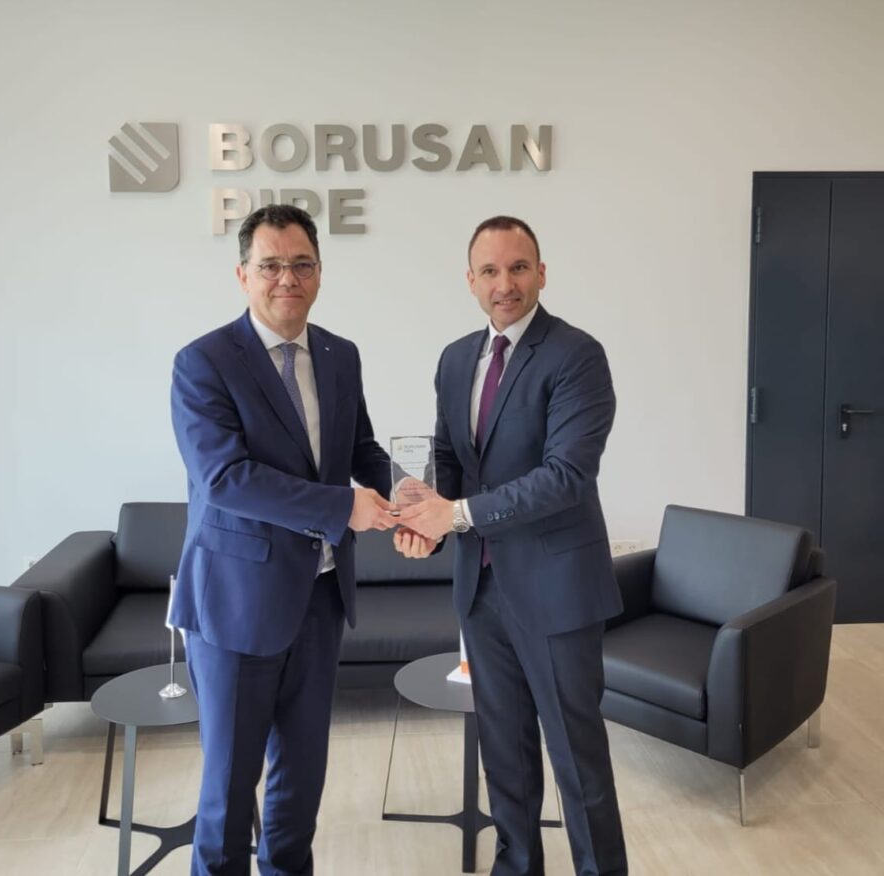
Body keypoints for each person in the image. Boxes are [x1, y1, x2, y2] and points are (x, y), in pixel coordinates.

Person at [397, 216, 628, 876]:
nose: (506, 284)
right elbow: (451, 460)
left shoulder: (576, 355)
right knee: (505, 755)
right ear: (470, 281)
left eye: (519, 267)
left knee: (577, 761)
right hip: (481, 590)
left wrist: (456, 514)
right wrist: (420, 514)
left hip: (557, 592)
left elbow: (566, 476)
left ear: (542, 273)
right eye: (491, 271)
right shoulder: (454, 359)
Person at [170, 204, 396, 876]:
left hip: (320, 598)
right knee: (229, 790)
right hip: (237, 604)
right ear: (243, 275)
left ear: (320, 273)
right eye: (270, 265)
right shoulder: (203, 362)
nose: (286, 278)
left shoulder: (339, 354)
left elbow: (359, 450)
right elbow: (225, 479)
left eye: (301, 264)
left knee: (301, 779)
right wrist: (344, 507)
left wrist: (410, 495)